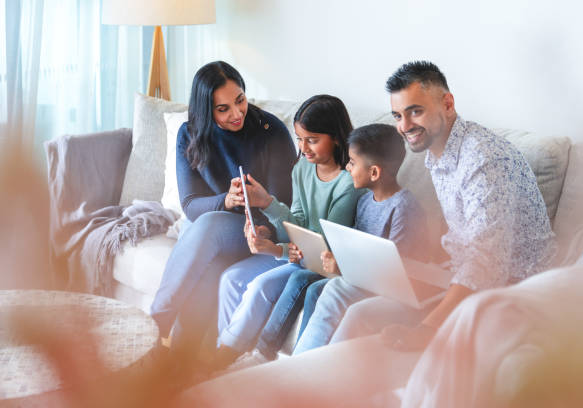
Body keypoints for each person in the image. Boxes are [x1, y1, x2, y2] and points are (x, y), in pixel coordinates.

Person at [329, 61, 557, 352]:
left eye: (415, 111)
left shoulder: (483, 159)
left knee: (361, 315)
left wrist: (427, 328)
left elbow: (486, 264)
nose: (404, 126)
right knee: (347, 296)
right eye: (398, 115)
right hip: (458, 272)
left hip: (513, 287)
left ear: (447, 104)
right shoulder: (437, 152)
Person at [149, 61, 296, 368]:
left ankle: (155, 326)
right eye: (223, 109)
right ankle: (179, 367)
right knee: (210, 261)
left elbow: (285, 202)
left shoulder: (272, 132)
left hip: (261, 233)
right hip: (215, 230)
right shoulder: (189, 134)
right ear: (206, 111)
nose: (237, 113)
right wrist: (227, 200)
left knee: (208, 227)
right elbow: (190, 204)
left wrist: (261, 221)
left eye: (240, 100)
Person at [212, 95, 364, 369]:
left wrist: (269, 205)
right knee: (251, 284)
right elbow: (297, 228)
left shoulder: (348, 183)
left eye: (312, 140)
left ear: (337, 138)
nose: (303, 148)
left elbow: (322, 244)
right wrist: (273, 241)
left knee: (260, 286)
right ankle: (224, 357)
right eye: (299, 139)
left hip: (326, 264)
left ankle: (231, 360)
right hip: (305, 257)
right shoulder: (303, 169)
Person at [288, 123, 430, 355]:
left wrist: (343, 267)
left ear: (374, 172)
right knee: (319, 288)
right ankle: (304, 360)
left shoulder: (403, 208)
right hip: (367, 282)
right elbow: (356, 249)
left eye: (353, 163)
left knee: (336, 290)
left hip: (394, 290)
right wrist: (337, 258)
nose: (347, 167)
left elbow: (397, 274)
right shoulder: (365, 201)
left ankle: (312, 368)